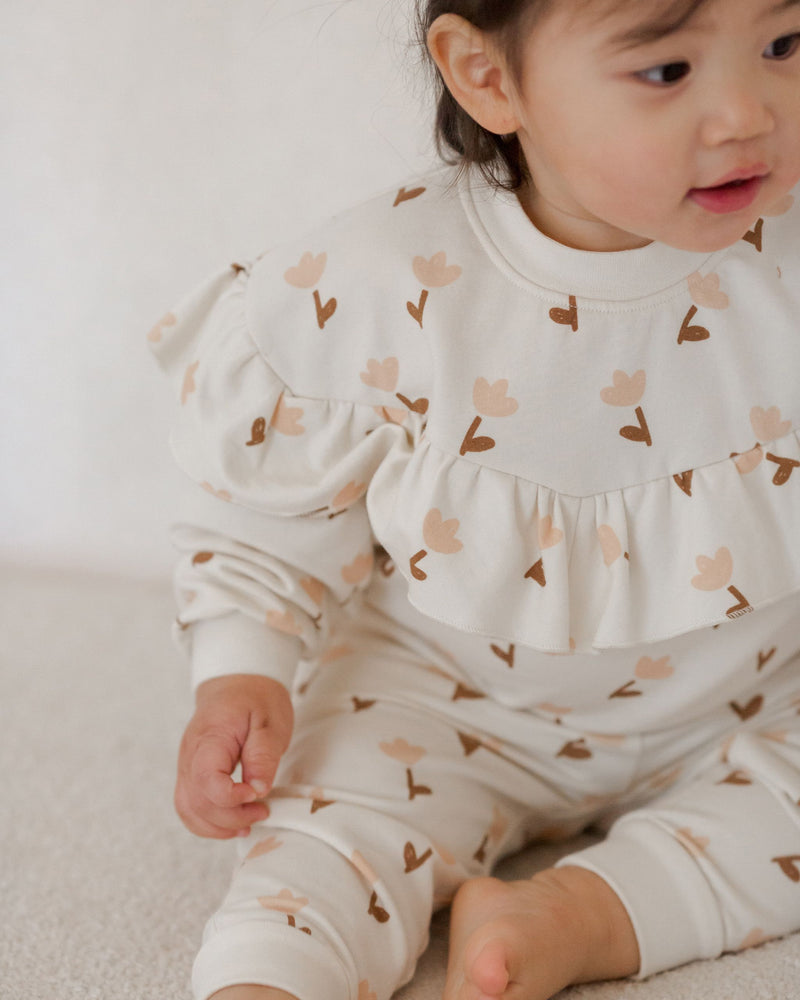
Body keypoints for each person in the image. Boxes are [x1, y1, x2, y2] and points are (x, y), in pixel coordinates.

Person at [148, 1, 800, 998]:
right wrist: (243, 668)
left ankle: (581, 915)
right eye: (666, 72)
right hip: (447, 705)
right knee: (325, 831)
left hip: (746, 699)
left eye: (782, 45)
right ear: (487, 77)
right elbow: (268, 503)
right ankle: (273, 977)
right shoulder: (376, 284)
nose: (746, 114)